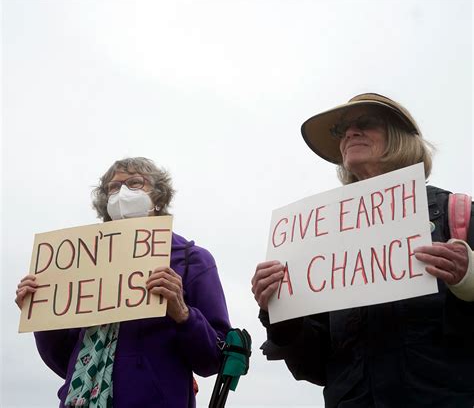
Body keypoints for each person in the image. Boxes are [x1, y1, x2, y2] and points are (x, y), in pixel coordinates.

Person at [251, 93, 474, 407]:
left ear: (399, 138)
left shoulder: (457, 212)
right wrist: (280, 314)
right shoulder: (319, 239)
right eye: (342, 132)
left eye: (365, 124)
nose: (350, 134)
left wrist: (468, 279)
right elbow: (314, 366)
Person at [15, 157, 231, 407]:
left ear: (159, 198)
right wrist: (43, 314)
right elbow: (66, 363)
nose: (122, 193)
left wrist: (183, 314)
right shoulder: (84, 262)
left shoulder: (191, 259)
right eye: (113, 188)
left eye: (135, 183)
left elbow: (214, 359)